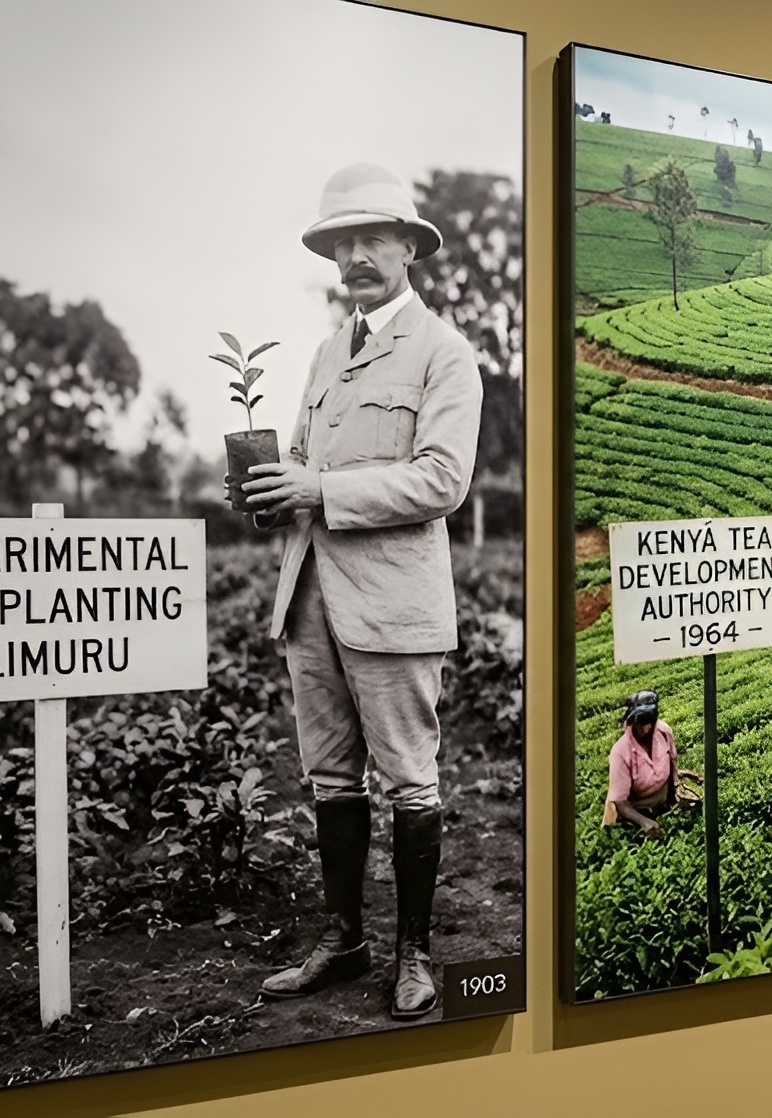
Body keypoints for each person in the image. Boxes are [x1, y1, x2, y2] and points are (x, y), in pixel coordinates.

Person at [245, 163, 482, 1022]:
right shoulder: (322, 353)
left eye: (370, 239)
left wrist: (320, 493)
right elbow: (308, 463)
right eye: (339, 243)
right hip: (310, 598)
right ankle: (340, 938)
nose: (353, 257)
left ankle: (413, 953)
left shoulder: (445, 354)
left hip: (393, 606)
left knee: (411, 784)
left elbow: (442, 482)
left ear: (411, 248)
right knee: (331, 779)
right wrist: (277, 486)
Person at [606, 692, 677, 834]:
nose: (645, 729)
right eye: (641, 723)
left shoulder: (663, 731)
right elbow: (621, 803)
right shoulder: (620, 752)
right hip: (635, 813)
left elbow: (673, 761)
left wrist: (676, 790)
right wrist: (644, 822)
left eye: (649, 723)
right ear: (632, 722)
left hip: (663, 802)